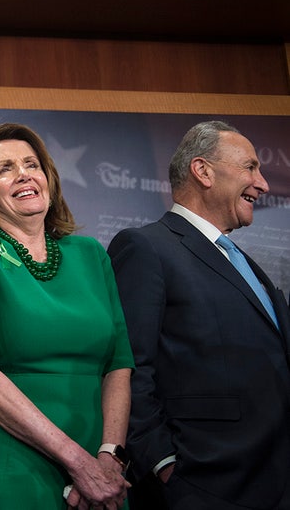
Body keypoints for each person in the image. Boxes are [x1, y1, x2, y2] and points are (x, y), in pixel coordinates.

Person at [0, 123, 134, 509]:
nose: (24, 174)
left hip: (102, 467)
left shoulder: (91, 254)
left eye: (32, 164)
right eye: (6, 169)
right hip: (11, 463)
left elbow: (119, 365)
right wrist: (78, 463)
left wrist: (108, 457)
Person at [108, 120, 290, 509]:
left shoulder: (247, 265)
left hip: (275, 480)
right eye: (250, 167)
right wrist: (164, 465)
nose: (263, 184)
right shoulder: (146, 248)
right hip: (206, 487)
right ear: (202, 170)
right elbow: (129, 367)